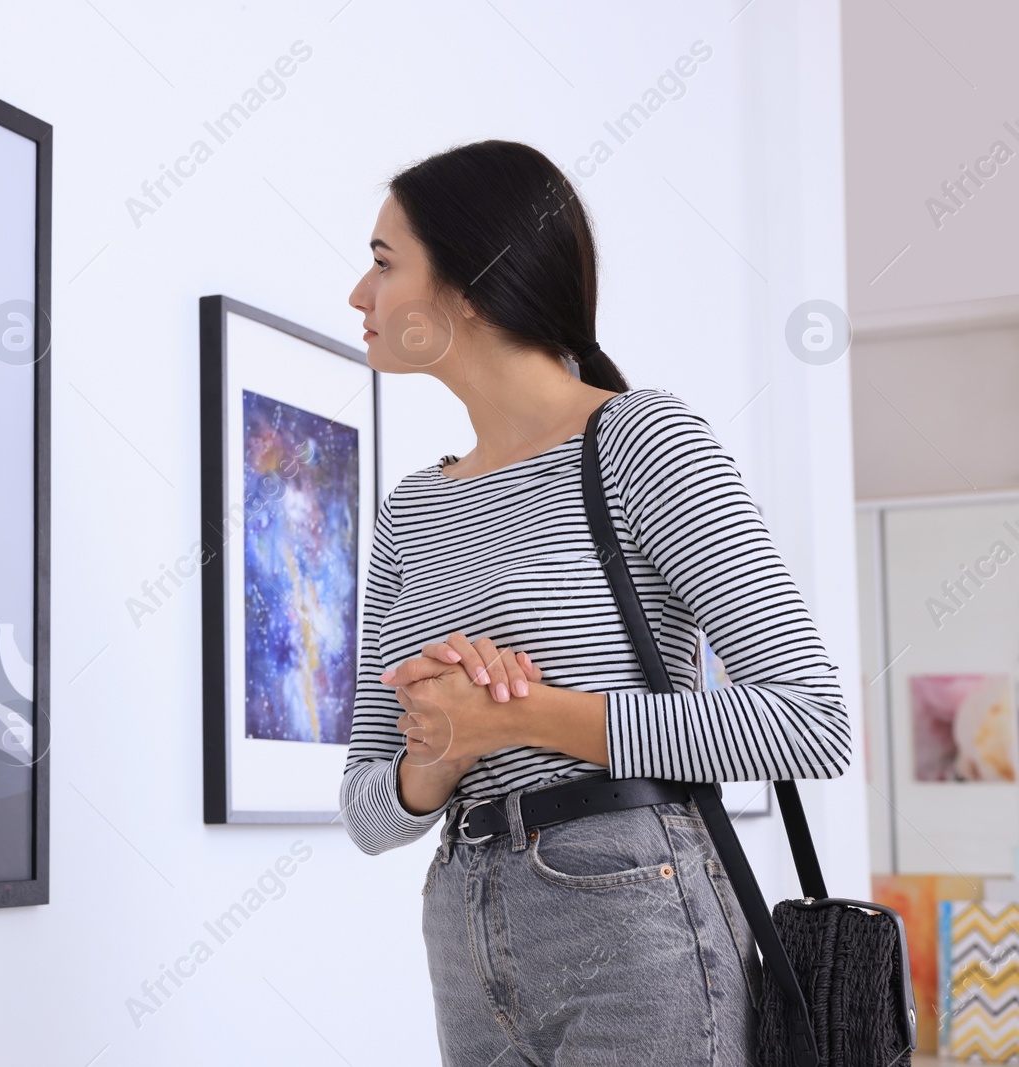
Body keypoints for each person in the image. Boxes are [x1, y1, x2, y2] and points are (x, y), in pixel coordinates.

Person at [340, 139, 852, 1066]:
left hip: (634, 913)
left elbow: (808, 725)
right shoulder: (410, 510)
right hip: (462, 916)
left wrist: (518, 715)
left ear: (471, 283)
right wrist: (440, 752)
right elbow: (369, 812)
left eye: (383, 263)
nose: (357, 296)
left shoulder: (639, 441)